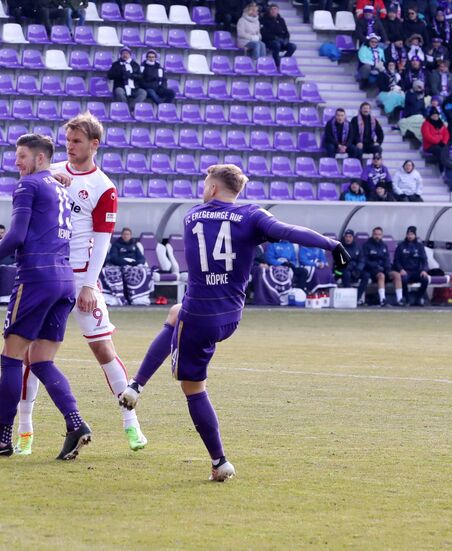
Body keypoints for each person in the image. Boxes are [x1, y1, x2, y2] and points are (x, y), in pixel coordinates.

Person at [119, 164, 349, 482]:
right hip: (230, 317)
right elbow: (288, 231)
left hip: (198, 318)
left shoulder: (192, 217)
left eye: (205, 182)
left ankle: (219, 462)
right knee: (174, 312)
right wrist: (331, 244)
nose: (203, 187)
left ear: (213, 188)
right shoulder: (252, 215)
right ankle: (135, 386)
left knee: (192, 387)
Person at [14, 115, 148, 457]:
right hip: (48, 274)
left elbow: (102, 241)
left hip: (81, 278)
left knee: (104, 349)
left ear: (94, 144)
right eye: (68, 140)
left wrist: (89, 285)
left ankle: (130, 422)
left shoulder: (104, 187)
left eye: (76, 141)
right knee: (31, 354)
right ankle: (25, 429)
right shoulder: (50, 171)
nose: (70, 147)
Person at [0, 134, 92, 460]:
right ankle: (75, 424)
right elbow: (32, 238)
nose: (17, 163)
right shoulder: (60, 189)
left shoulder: (27, 186)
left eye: (21, 156)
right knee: (42, 360)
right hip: (63, 280)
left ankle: (2, 438)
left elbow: (17, 236)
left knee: (11, 356)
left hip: (35, 280)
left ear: (40, 158)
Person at [391, 226, 430, 305]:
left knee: (425, 279)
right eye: (408, 234)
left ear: (415, 235)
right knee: (403, 279)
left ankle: (418, 298)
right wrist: (401, 269)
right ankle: (407, 299)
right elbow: (396, 260)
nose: (410, 236)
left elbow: (424, 260)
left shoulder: (419, 246)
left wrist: (424, 270)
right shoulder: (401, 246)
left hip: (416, 271)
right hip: (405, 271)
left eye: (411, 234)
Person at [358, 226, 396, 304]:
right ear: (372, 234)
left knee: (396, 275)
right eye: (375, 234)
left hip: (383, 269)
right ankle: (382, 299)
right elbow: (364, 260)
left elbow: (387, 259)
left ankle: (400, 299)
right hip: (371, 270)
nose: (377, 236)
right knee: (381, 276)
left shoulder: (384, 245)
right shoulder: (367, 245)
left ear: (382, 235)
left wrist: (388, 269)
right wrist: (376, 266)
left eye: (379, 234)